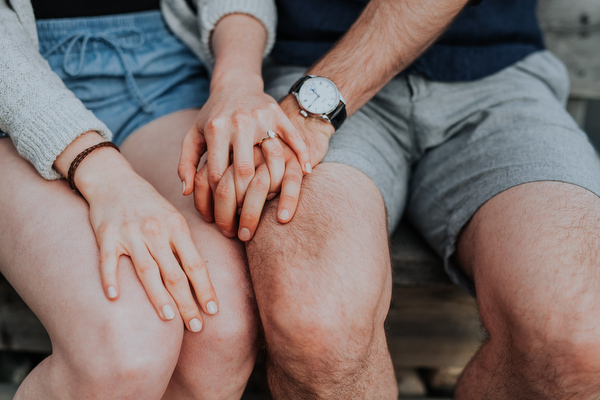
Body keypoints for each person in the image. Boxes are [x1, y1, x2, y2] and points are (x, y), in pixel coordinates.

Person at [178, 0, 600, 399]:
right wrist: (239, 81)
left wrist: (312, 109)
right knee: (315, 328)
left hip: (495, 73)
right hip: (301, 65)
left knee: (581, 338)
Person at [0, 0, 311, 398]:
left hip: (165, 72)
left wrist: (237, 80)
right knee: (124, 354)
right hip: (14, 94)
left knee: (220, 329)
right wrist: (106, 175)